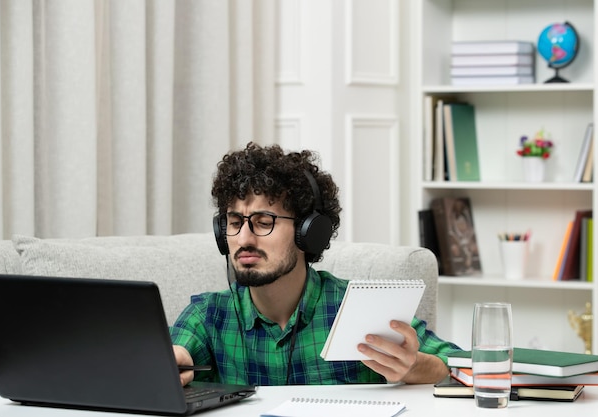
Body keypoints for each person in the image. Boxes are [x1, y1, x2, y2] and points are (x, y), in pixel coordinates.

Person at [170, 142, 461, 386]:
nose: (244, 237)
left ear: (308, 232)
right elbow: (173, 358)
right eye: (234, 223)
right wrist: (170, 363)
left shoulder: (359, 308)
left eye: (263, 222)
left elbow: (465, 367)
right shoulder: (208, 315)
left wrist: (415, 367)